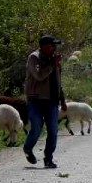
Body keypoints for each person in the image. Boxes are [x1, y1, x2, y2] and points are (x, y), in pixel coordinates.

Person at [23, 34, 66, 168]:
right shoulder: (34, 58)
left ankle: (48, 158)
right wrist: (52, 64)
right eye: (51, 46)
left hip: (52, 100)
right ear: (44, 47)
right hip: (36, 99)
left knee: (53, 130)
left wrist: (62, 99)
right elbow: (39, 75)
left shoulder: (54, 60)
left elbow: (58, 81)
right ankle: (28, 148)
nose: (54, 48)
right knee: (36, 126)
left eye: (55, 46)